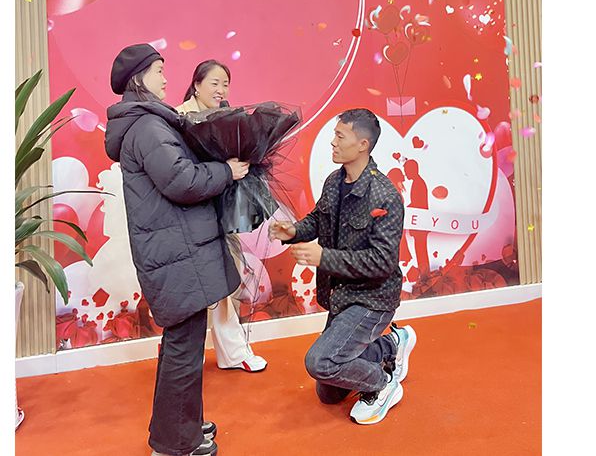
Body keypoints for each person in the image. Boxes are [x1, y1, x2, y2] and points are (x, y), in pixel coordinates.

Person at [104, 44, 250, 456]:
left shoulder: (145, 123)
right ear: (138, 78)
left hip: (176, 248)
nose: (166, 79)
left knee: (182, 347)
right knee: (183, 350)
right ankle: (175, 444)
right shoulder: (148, 127)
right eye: (158, 71)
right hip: (177, 252)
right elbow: (182, 182)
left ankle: (180, 426)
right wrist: (226, 171)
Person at [269, 108, 418, 425]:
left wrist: (323, 257)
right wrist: (293, 231)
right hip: (341, 296)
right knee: (329, 393)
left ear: (362, 144)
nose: (332, 142)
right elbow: (318, 219)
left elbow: (382, 262)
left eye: (340, 136)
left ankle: (383, 384)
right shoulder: (334, 182)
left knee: (320, 363)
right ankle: (390, 345)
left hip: (372, 299)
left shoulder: (385, 196)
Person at [176, 59, 268, 373]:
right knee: (190, 287)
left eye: (225, 84)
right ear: (196, 84)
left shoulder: (227, 118)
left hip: (220, 212)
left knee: (227, 278)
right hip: (188, 215)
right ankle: (184, 353)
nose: (221, 90)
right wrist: (225, 170)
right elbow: (179, 173)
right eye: (214, 83)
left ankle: (231, 352)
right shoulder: (178, 118)